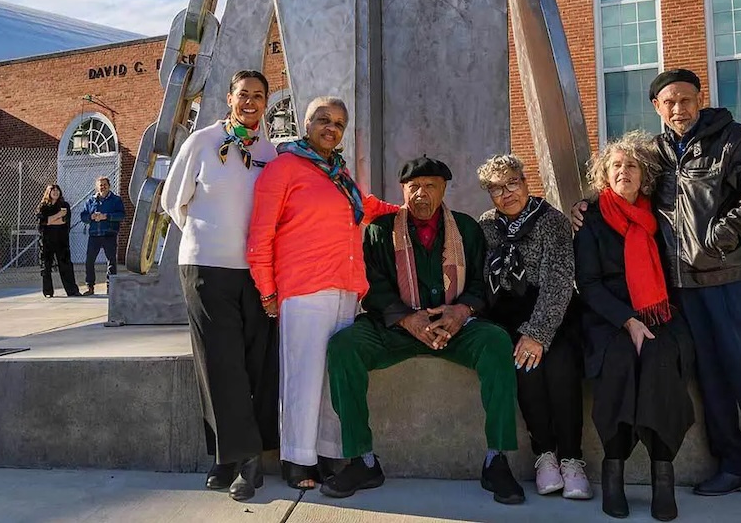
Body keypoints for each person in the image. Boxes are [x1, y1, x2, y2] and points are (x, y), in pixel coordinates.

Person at [322, 155, 526, 506]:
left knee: (495, 341)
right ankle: (362, 460)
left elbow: (481, 282)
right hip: (398, 328)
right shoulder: (380, 230)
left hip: (455, 327)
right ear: (403, 190)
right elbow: (374, 286)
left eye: (430, 186)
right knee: (344, 346)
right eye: (413, 186)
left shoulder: (466, 228)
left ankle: (497, 459)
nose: (421, 193)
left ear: (443, 189)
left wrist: (461, 311)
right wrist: (407, 319)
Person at [643, 68, 741, 510]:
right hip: (682, 287)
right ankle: (734, 466)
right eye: (669, 102)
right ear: (657, 108)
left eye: (685, 99)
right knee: (709, 378)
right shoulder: (655, 153)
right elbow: (625, 190)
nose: (678, 108)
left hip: (728, 278)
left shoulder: (731, 138)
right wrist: (584, 206)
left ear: (699, 99)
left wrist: (720, 237)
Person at [246, 97, 399, 491]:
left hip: (346, 288)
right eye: (323, 120)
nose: (331, 128)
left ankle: (329, 453)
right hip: (304, 289)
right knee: (303, 377)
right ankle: (297, 458)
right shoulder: (284, 169)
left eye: (339, 123)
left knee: (333, 379)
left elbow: (366, 207)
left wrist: (405, 210)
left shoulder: (340, 174)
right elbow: (260, 235)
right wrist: (267, 291)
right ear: (306, 122)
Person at [160, 70, 281, 502]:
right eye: (242, 94)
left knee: (255, 362)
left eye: (258, 96)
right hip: (206, 268)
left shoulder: (269, 152)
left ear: (266, 103)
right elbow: (172, 201)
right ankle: (243, 460)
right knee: (219, 362)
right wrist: (209, 237)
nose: (250, 102)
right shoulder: (202, 141)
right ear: (229, 98)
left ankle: (230, 454)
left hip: (257, 273)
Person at [577, 135, 695, 520]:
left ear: (643, 175)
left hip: (658, 314)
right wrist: (627, 321)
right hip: (608, 319)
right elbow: (588, 284)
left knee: (662, 360)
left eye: (631, 166)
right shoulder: (589, 220)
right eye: (616, 166)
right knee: (620, 363)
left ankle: (664, 471)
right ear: (604, 176)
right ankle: (614, 469)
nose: (624, 172)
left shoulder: (658, 218)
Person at [475, 154, 590, 502]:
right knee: (524, 369)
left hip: (554, 314)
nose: (506, 193)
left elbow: (558, 280)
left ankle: (571, 458)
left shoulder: (551, 220)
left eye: (512, 183)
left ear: (525, 183)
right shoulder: (487, 226)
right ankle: (544, 456)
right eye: (496, 188)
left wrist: (538, 333)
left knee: (560, 366)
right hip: (507, 316)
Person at [79, 176, 126, 295]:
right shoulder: (91, 201)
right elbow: (83, 216)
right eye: (100, 185)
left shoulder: (116, 200)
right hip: (94, 235)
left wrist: (107, 216)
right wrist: (91, 217)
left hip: (109, 233)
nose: (102, 187)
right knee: (89, 261)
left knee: (111, 261)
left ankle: (111, 287)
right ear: (97, 187)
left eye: (105, 184)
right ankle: (90, 286)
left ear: (109, 186)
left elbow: (121, 215)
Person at [36, 184, 81, 298]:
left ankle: (72, 291)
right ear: (48, 192)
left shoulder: (64, 205)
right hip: (46, 241)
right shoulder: (43, 206)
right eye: (53, 190)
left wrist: (51, 220)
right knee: (46, 266)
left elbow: (64, 222)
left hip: (61, 241)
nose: (55, 192)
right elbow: (42, 222)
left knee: (65, 265)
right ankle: (48, 291)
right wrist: (58, 216)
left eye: (57, 190)